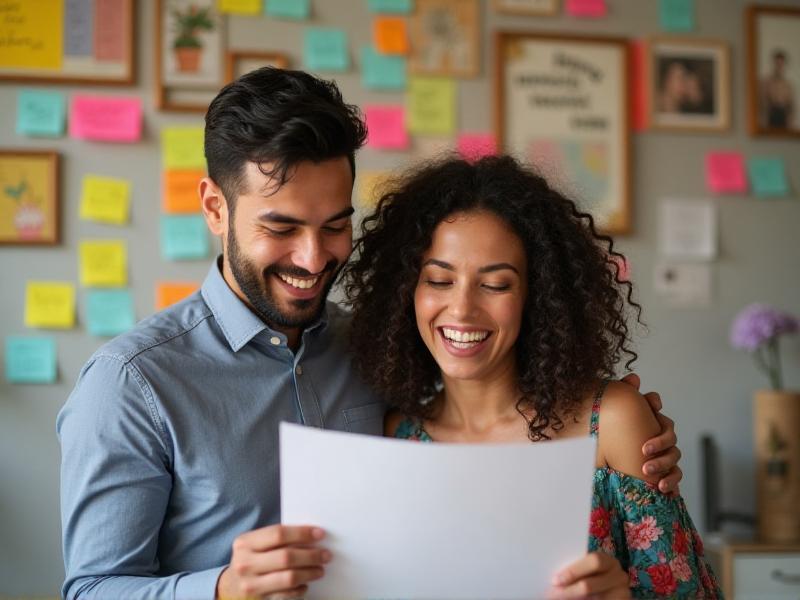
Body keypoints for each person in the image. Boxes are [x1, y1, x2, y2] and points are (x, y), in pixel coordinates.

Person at [58, 68, 683, 600]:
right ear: (215, 208)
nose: (312, 258)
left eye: (334, 225)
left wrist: (635, 430)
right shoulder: (132, 383)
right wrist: (221, 589)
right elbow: (91, 588)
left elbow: (493, 399)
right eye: (281, 227)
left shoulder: (380, 356)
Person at [343, 155, 722, 598]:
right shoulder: (395, 439)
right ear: (407, 290)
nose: (462, 308)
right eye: (439, 281)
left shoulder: (611, 424)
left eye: (496, 284)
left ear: (536, 296)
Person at [760, 49, 795, 129]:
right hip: (771, 115)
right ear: (773, 63)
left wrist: (790, 122)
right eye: (777, 63)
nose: (779, 66)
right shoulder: (767, 82)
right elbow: (763, 103)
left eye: (781, 64)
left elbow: (791, 106)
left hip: (783, 116)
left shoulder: (787, 85)